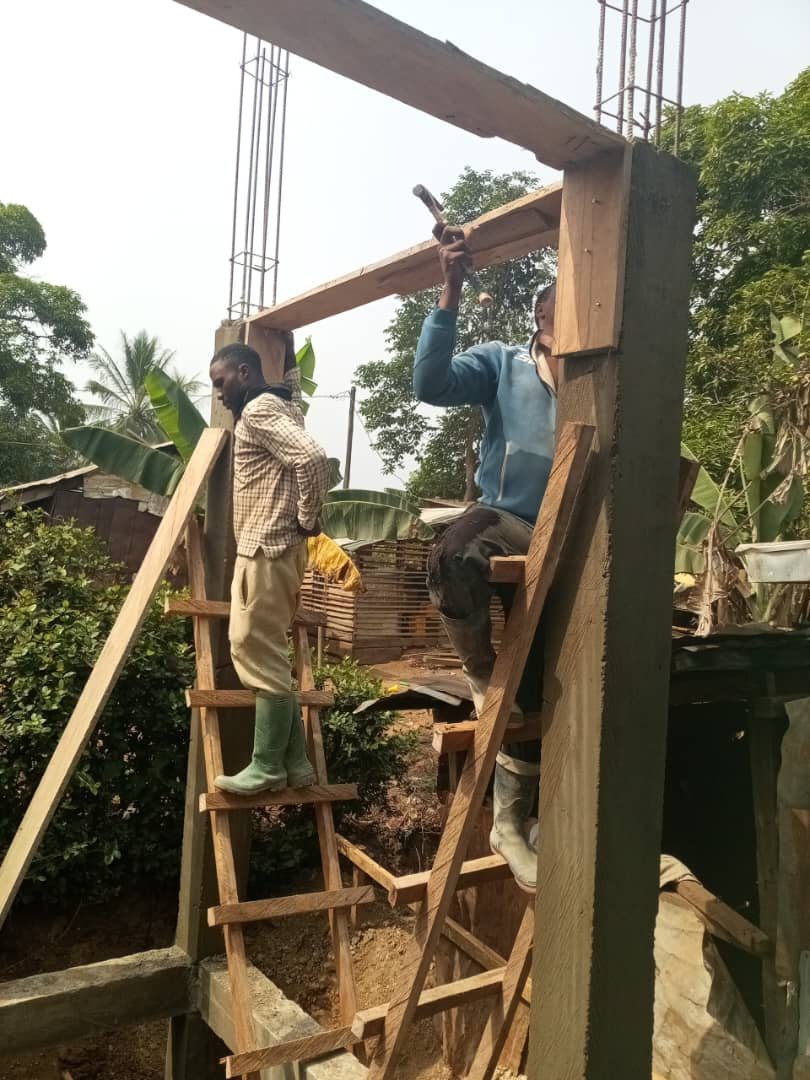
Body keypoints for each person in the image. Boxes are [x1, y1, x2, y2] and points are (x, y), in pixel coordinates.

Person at [413, 224, 558, 893]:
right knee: (453, 554)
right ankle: (477, 670)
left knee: (534, 689)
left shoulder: (602, 375)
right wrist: (450, 287)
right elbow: (430, 382)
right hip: (509, 520)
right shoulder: (505, 363)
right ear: (542, 316)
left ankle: (511, 823)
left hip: (572, 535)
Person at [209, 337, 330, 795]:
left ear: (244, 373)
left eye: (221, 382)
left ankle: (266, 767)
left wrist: (307, 517)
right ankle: (295, 762)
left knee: (251, 648)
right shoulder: (283, 406)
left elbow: (312, 458)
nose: (218, 394)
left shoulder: (259, 411)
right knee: (270, 654)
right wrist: (287, 343)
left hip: (264, 549)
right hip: (277, 552)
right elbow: (293, 391)